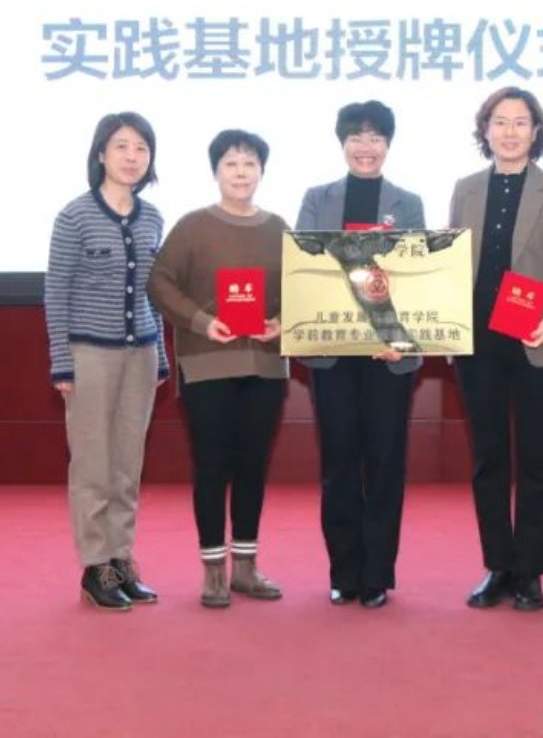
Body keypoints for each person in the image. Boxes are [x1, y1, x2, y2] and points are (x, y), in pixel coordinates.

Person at [448, 86, 543, 612]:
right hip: (477, 341)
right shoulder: (464, 189)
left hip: (536, 340)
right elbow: (448, 263)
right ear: (485, 131)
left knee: (536, 458)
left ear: (536, 131)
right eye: (500, 122)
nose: (509, 131)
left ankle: (532, 570)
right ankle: (498, 565)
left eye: (520, 122)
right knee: (488, 458)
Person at [148, 129, 289, 609]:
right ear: (215, 172)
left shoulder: (279, 228)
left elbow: (303, 288)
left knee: (253, 465)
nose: (241, 172)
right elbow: (160, 282)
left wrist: (282, 322)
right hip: (207, 365)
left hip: (266, 367)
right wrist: (202, 322)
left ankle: (245, 567)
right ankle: (213, 570)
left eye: (250, 164)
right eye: (231, 163)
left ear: (262, 172)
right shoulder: (192, 226)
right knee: (212, 465)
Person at [295, 100, 426, 609]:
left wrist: (400, 338)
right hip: (333, 353)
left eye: (375, 137)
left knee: (385, 462)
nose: (365, 147)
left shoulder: (407, 203)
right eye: (356, 137)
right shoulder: (317, 199)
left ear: (388, 145)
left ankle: (376, 575)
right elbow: (304, 267)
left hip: (388, 353)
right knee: (339, 462)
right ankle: (344, 572)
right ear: (342, 143)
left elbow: (415, 276)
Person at [44, 111, 168, 613]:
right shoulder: (74, 216)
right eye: (121, 146)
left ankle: (121, 560)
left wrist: (161, 355)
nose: (132, 157)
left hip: (141, 354)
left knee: (127, 464)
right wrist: (61, 361)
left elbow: (154, 293)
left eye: (141, 148)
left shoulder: (153, 217)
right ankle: (96, 565)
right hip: (90, 354)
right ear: (100, 154)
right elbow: (55, 292)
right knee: (93, 464)